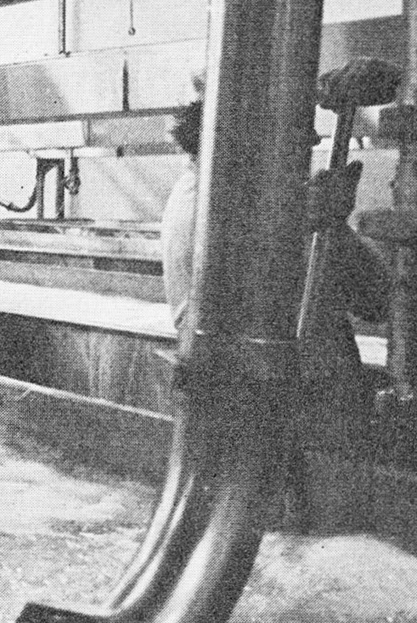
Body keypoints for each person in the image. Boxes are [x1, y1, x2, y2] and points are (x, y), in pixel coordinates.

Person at [162, 86, 390, 531]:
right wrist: (313, 219)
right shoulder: (213, 208)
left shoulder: (221, 197)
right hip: (290, 418)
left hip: (292, 412)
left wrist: (322, 221)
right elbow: (373, 295)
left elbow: (371, 296)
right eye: (295, 140)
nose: (310, 147)